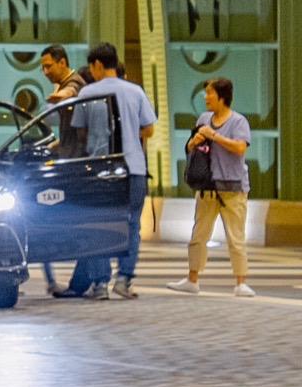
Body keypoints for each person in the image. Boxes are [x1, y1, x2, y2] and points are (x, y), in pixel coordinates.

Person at [72, 41, 157, 301]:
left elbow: (80, 131)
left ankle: (100, 285)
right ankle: (124, 280)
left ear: (98, 65)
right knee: (131, 224)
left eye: (92, 67)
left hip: (100, 170)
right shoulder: (136, 91)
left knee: (98, 224)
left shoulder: (87, 93)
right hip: (134, 169)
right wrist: (129, 133)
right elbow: (149, 129)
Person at [169, 77, 256, 298]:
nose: (206, 97)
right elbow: (190, 147)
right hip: (207, 187)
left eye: (210, 93)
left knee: (236, 237)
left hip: (233, 188)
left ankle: (241, 282)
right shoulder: (204, 119)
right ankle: (192, 279)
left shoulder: (238, 122)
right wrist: (195, 141)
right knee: (198, 235)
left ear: (222, 97)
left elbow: (240, 148)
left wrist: (214, 136)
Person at [37, 44, 88, 298]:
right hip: (66, 163)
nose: (45, 71)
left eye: (48, 66)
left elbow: (72, 92)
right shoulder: (63, 85)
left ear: (62, 62)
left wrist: (59, 97)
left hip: (75, 169)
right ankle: (58, 280)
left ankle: (84, 281)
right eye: (43, 68)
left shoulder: (74, 83)